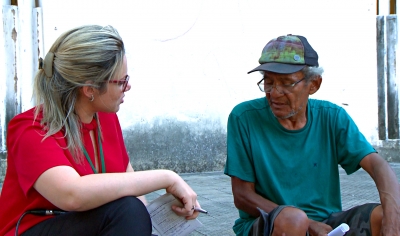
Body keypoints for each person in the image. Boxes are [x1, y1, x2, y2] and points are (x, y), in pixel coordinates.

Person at [0, 25, 201, 236]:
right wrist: (168, 178)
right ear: (90, 90)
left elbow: (128, 179)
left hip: (90, 224)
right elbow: (72, 194)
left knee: (134, 211)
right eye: (121, 82)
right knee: (129, 212)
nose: (128, 87)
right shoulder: (31, 128)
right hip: (34, 228)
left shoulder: (106, 117)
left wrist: (155, 219)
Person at [224, 34, 400, 236]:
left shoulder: (332, 117)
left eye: (286, 83)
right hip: (271, 223)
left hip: (326, 223)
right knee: (294, 220)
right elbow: (242, 196)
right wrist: (306, 223)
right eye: (268, 82)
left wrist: (393, 218)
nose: (274, 92)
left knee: (389, 214)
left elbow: (378, 165)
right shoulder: (244, 118)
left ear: (314, 85)